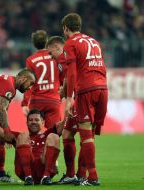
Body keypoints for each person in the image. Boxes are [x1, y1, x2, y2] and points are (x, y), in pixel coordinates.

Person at [61, 13, 108, 186]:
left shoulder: (70, 43)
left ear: (66, 28)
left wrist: (68, 98)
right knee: (89, 134)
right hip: (102, 87)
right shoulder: (95, 41)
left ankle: (93, 177)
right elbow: (103, 65)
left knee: (86, 135)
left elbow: (71, 72)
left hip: (86, 89)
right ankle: (81, 175)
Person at [0, 69, 35, 182]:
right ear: (23, 79)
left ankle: (0, 174)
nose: (29, 88)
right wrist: (7, 131)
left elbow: (2, 111)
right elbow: (2, 110)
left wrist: (5, 130)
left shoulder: (9, 82)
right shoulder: (9, 86)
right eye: (30, 83)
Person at [0, 109, 61, 185]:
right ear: (26, 123)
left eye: (36, 120)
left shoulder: (47, 134)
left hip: (44, 167)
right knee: (24, 135)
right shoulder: (19, 136)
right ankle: (28, 177)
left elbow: (63, 125)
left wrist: (68, 111)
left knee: (54, 136)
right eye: (30, 120)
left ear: (42, 122)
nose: (33, 122)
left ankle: (46, 177)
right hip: (23, 171)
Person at [46, 36, 79, 184]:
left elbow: (68, 78)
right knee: (75, 133)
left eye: (50, 52)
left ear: (57, 47)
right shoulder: (71, 55)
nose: (50, 56)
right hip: (87, 93)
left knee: (67, 134)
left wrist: (65, 95)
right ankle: (80, 174)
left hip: (79, 98)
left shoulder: (62, 58)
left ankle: (74, 174)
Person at [21, 30, 62, 129]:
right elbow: (63, 76)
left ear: (34, 44)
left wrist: (24, 103)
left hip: (37, 101)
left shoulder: (31, 60)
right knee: (54, 133)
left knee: (35, 132)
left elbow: (28, 83)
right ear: (47, 41)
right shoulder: (56, 56)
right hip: (54, 100)